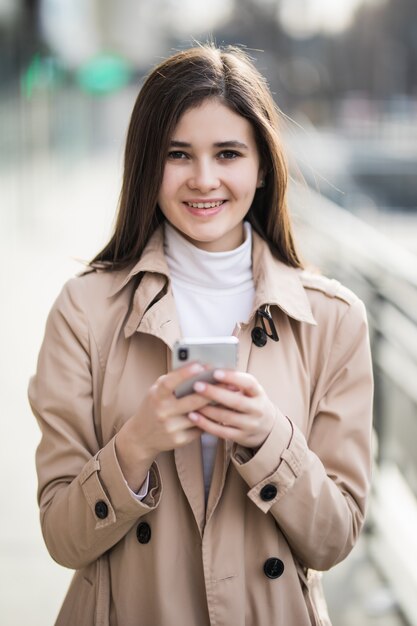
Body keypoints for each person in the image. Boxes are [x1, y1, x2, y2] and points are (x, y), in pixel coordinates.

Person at [28, 44, 373, 626]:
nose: (204, 179)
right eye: (178, 154)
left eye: (228, 153)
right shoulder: (83, 310)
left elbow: (334, 539)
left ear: (262, 166)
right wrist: (136, 445)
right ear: (146, 165)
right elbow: (62, 538)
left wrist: (270, 439)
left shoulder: (333, 319)